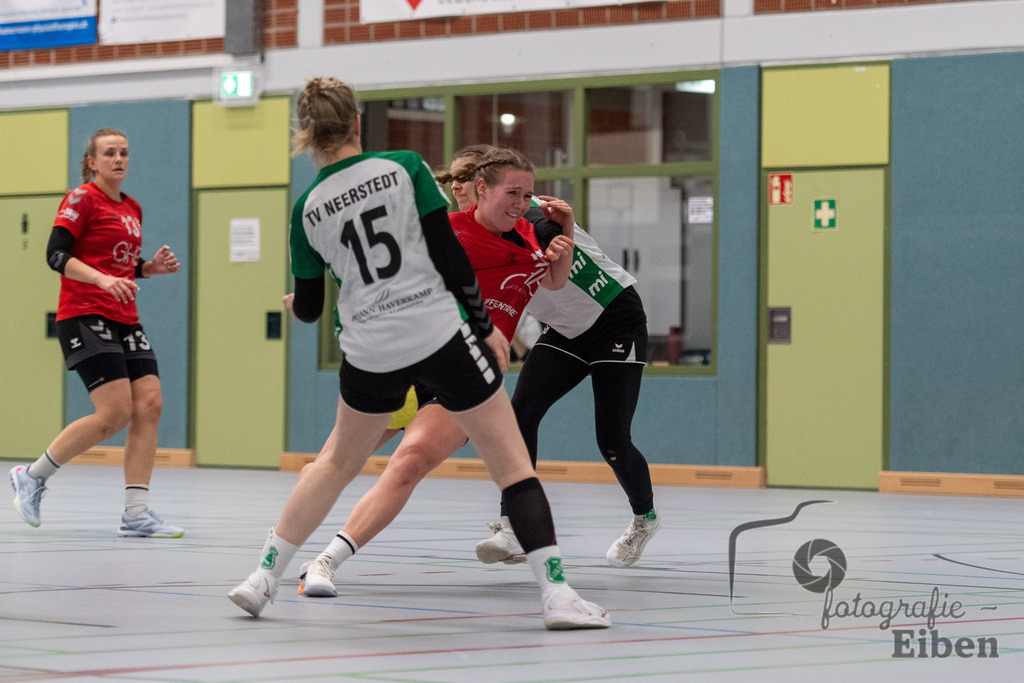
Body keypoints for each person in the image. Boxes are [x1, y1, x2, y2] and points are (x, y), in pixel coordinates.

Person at [227, 78, 608, 630]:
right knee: (512, 465)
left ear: (306, 133)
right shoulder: (402, 167)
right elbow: (447, 255)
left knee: (334, 463)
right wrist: (484, 328)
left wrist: (300, 302)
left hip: (367, 346)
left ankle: (262, 577)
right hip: (435, 334)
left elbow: (309, 308)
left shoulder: (306, 208)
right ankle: (557, 596)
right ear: (358, 123)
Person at [293, 146, 580, 603]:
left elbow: (553, 282)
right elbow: (379, 275)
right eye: (512, 192)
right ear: (479, 191)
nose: (521, 203)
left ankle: (325, 561)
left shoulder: (530, 234)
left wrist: (562, 241)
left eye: (528, 194)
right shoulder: (448, 232)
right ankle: (277, 550)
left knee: (408, 464)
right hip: (411, 360)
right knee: (327, 467)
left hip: (464, 375)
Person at [446, 147, 660, 569]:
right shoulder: (469, 230)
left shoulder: (529, 209)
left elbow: (544, 231)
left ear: (485, 183)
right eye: (451, 180)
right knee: (521, 411)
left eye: (464, 178)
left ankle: (644, 517)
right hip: (563, 329)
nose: (455, 187)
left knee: (612, 440)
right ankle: (513, 526)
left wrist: (556, 230)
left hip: (615, 317)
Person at [8, 128, 184, 538]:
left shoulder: (133, 207)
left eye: (124, 152)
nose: (119, 159)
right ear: (92, 161)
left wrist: (148, 269)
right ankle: (32, 475)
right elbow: (56, 253)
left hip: (124, 316)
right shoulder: (81, 198)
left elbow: (119, 264)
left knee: (150, 404)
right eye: (109, 153)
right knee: (115, 412)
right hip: (84, 313)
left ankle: (136, 513)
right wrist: (102, 281)